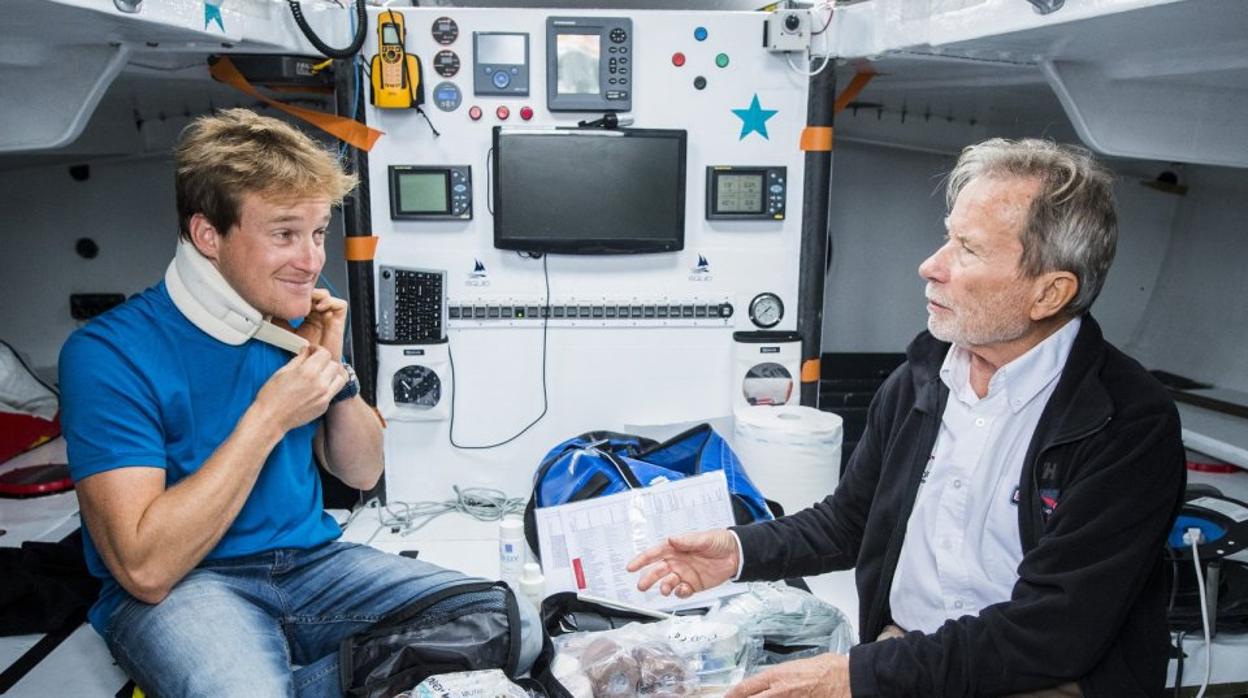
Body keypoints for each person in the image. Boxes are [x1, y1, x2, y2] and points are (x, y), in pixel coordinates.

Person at [628, 139, 1186, 697]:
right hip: (911, 652)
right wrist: (739, 551)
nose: (931, 266)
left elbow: (1053, 633)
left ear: (1049, 293)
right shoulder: (920, 381)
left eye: (967, 249)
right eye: (947, 236)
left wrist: (857, 674)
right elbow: (850, 520)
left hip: (1042, 677)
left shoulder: (1129, 425)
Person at [59, 108, 539, 697]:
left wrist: (332, 374)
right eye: (284, 234)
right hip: (191, 583)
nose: (311, 260)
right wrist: (269, 416)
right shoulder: (108, 353)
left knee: (513, 623)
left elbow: (362, 470)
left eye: (317, 234)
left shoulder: (298, 309)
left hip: (313, 566)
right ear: (208, 235)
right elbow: (146, 569)